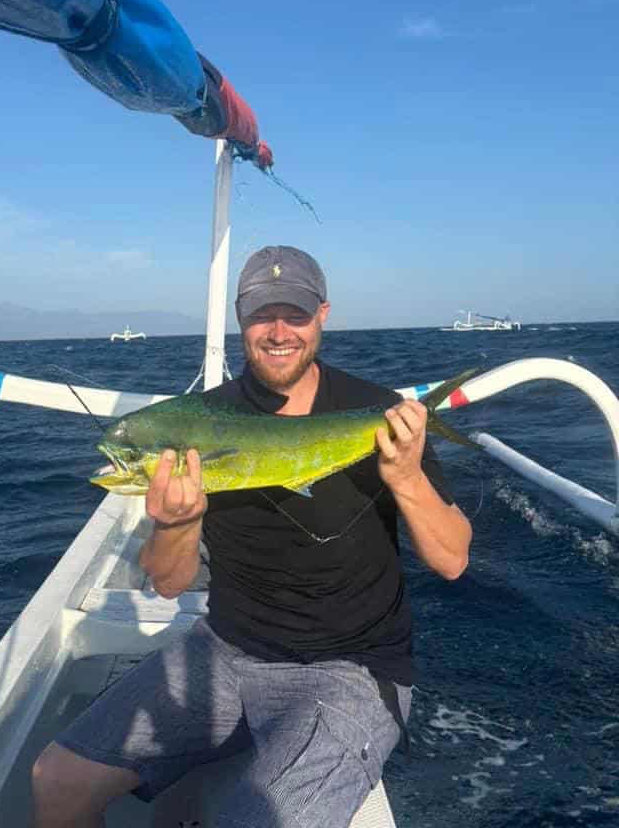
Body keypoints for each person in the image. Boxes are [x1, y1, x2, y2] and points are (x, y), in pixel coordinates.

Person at [32, 245, 472, 828]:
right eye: (264, 315)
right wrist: (178, 521)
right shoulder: (200, 420)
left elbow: (452, 560)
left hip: (352, 671)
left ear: (323, 315)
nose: (279, 331)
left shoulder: (379, 414)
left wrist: (407, 477)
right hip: (226, 651)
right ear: (242, 320)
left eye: (296, 314)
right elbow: (168, 585)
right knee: (57, 780)